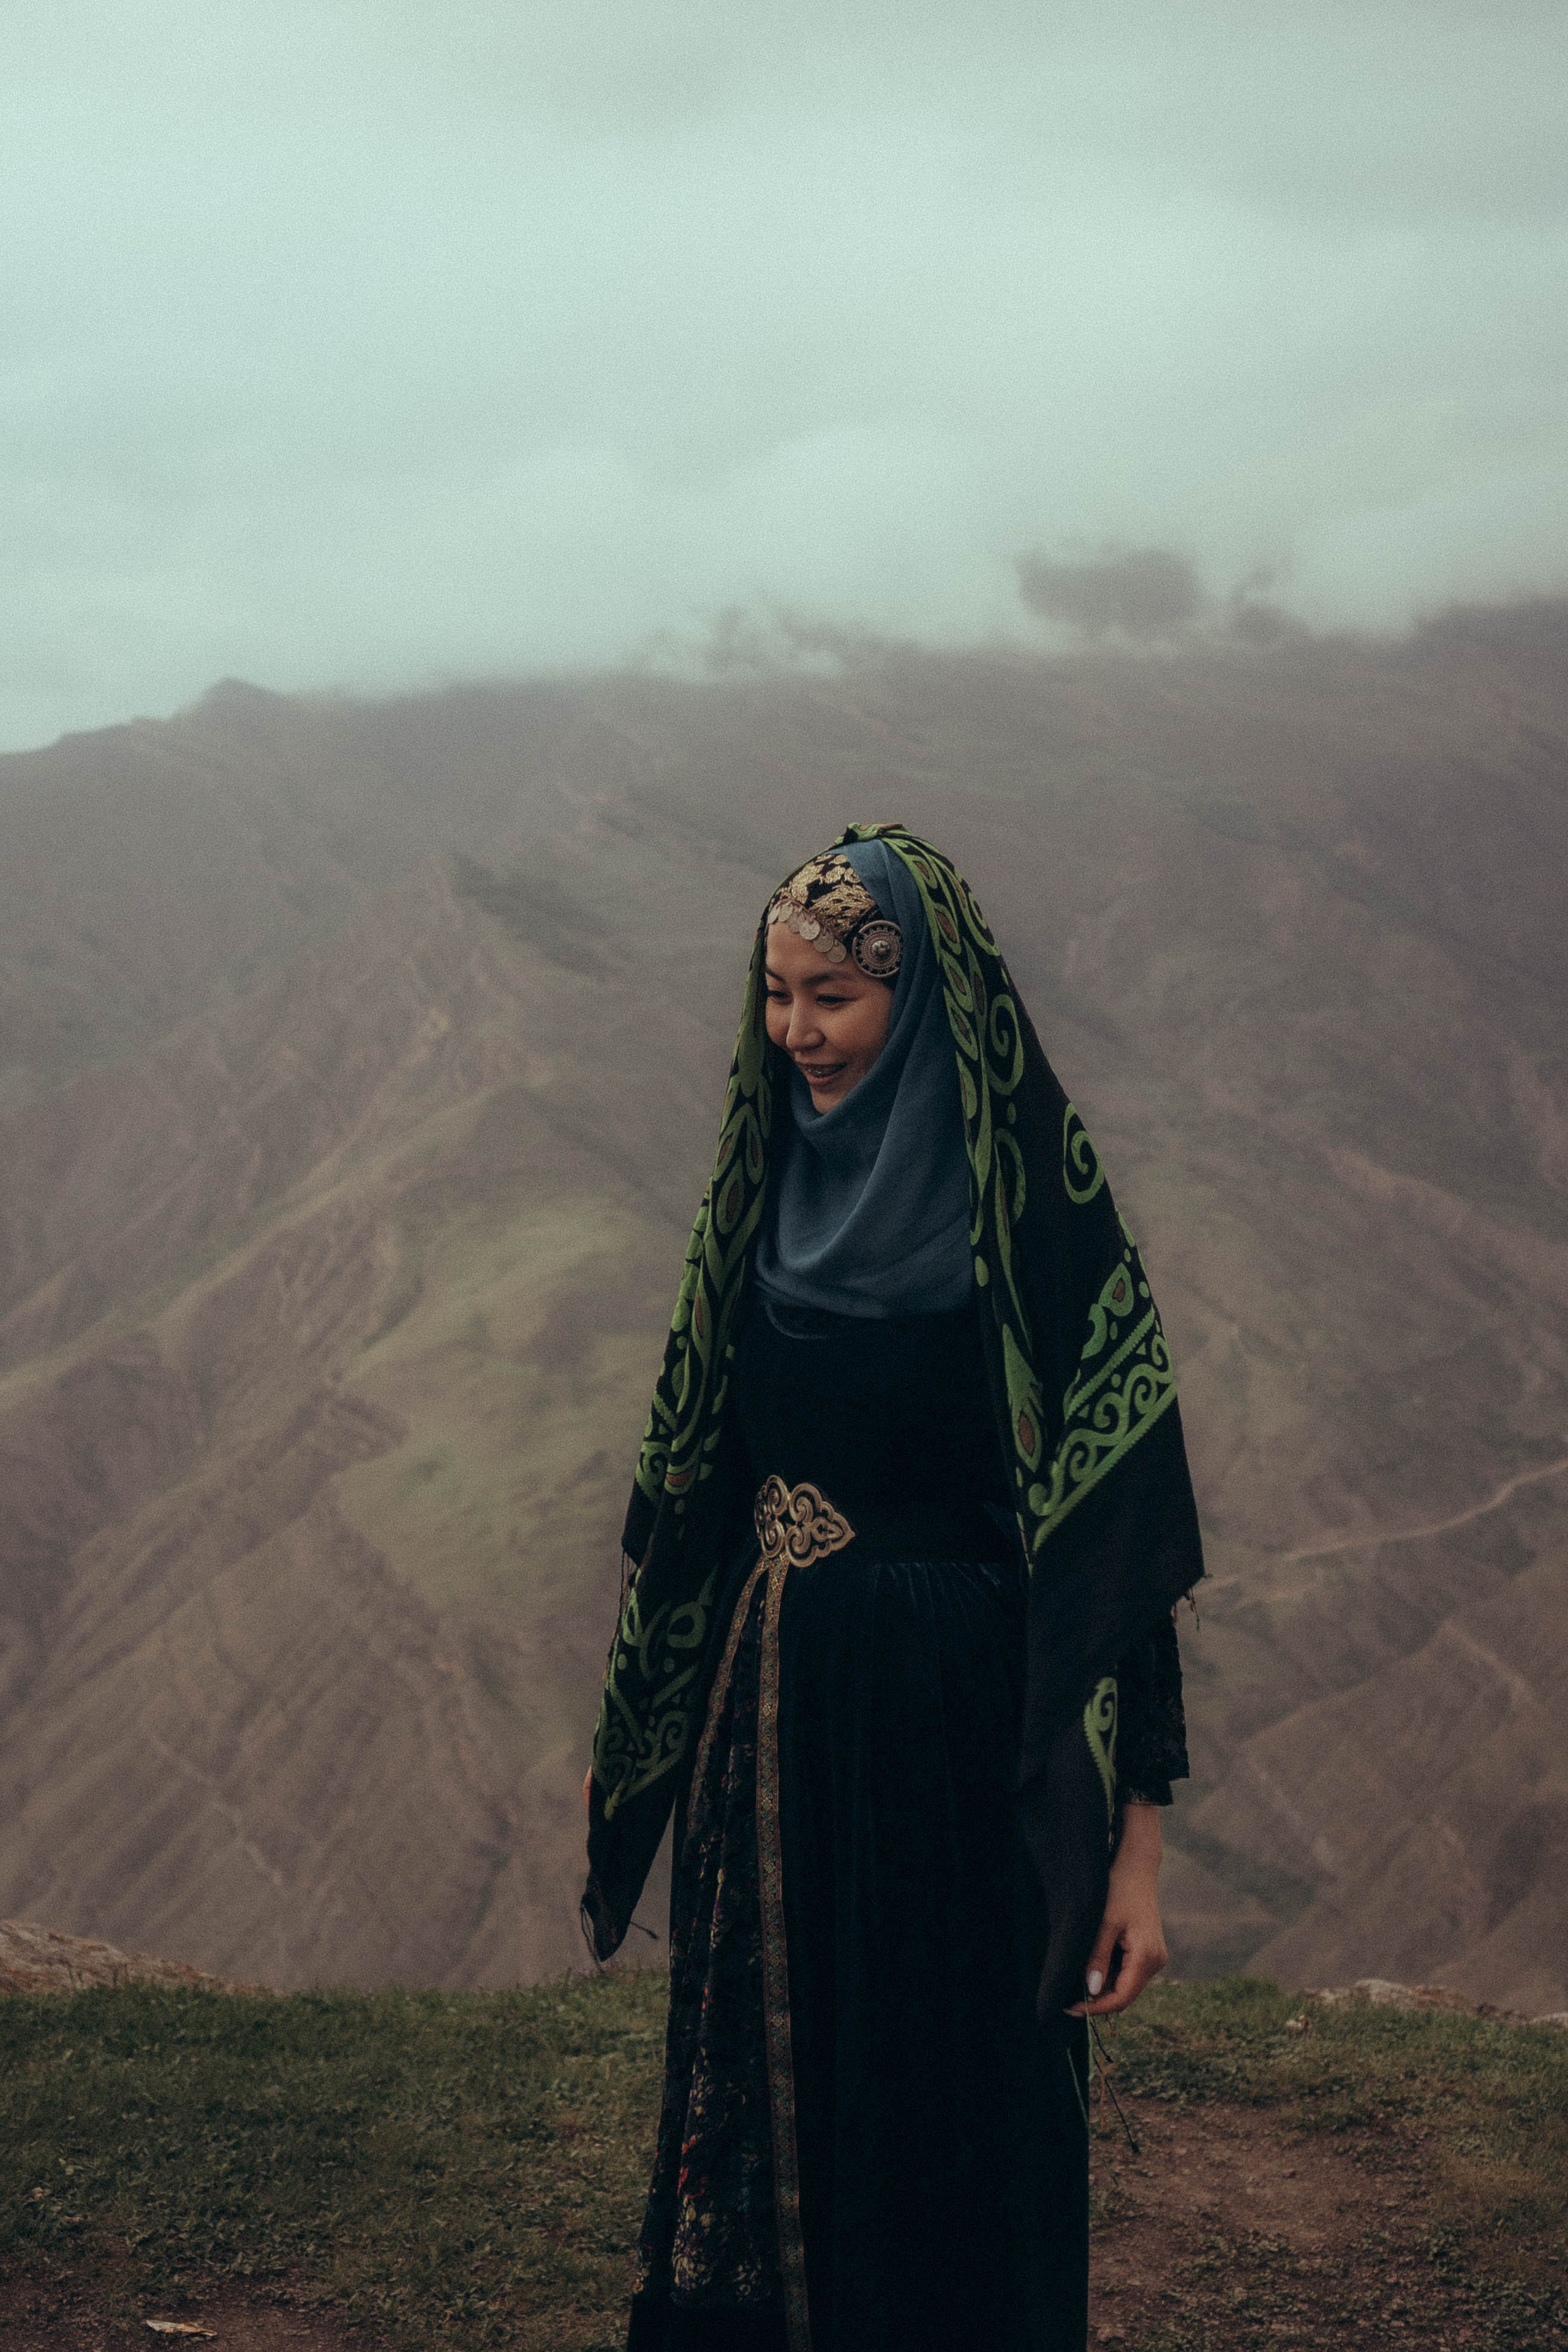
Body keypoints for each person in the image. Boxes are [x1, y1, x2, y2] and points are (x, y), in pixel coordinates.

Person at [582, 824, 1204, 2352]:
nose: (795, 1033)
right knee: (772, 2091)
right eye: (776, 995)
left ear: (918, 1000)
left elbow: (1117, 1553)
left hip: (959, 1747)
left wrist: (1134, 1856)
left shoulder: (1031, 1232)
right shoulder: (760, 1199)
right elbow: (693, 1484)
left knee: (949, 2097)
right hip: (772, 1733)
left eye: (832, 1001)